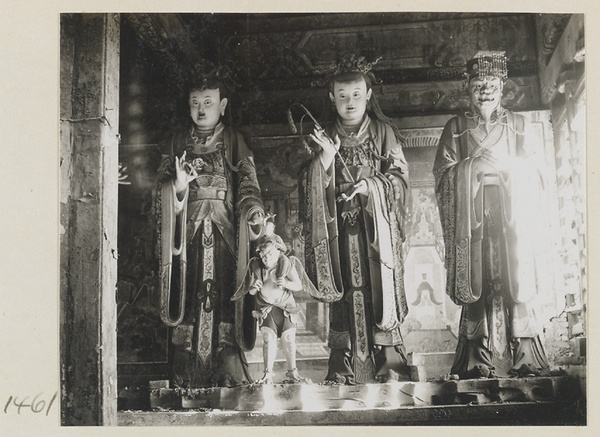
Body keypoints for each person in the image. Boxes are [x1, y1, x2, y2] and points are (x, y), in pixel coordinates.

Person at [433, 51, 550, 379]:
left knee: (517, 283)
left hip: (511, 221)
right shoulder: (456, 128)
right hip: (473, 225)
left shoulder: (518, 125)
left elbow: (537, 173)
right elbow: (443, 175)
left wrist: (509, 173)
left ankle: (526, 358)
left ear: (503, 87)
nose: (485, 90)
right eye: (478, 84)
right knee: (476, 285)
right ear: (467, 87)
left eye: (492, 84)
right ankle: (475, 361)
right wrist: (472, 169)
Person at [300, 53, 411, 384]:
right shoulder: (323, 135)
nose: (350, 103)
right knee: (343, 291)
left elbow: (400, 178)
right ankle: (342, 363)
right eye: (343, 96)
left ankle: (388, 358)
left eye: (357, 95)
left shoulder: (383, 131)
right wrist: (324, 159)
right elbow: (307, 184)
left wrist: (373, 186)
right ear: (332, 98)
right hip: (338, 232)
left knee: (378, 290)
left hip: (373, 230)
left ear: (369, 96)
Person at [156, 63, 264, 387]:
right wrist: (176, 188)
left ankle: (226, 370)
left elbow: (248, 185)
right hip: (185, 236)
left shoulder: (233, 141)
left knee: (225, 298)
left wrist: (254, 211)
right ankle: (185, 373)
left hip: (225, 236)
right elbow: (160, 189)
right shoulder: (177, 142)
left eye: (208, 102)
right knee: (189, 298)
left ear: (223, 105)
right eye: (195, 102)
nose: (201, 109)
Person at [231, 220, 313, 384]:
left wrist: (287, 284)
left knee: (288, 339)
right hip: (266, 308)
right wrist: (254, 287)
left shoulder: (286, 265)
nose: (265, 258)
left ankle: (292, 373)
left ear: (277, 252)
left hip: (285, 308)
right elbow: (251, 291)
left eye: (269, 255)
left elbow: (298, 285)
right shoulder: (257, 267)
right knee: (268, 340)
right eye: (263, 255)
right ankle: (268, 373)